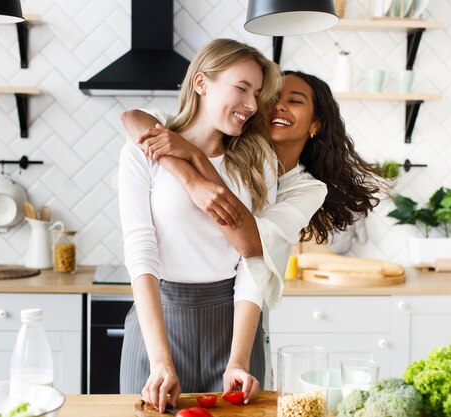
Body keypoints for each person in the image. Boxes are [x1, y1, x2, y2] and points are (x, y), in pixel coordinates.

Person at [122, 70, 381, 388]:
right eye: (270, 100)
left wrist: (194, 160)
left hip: (241, 319)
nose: (278, 107)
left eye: (294, 101)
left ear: (316, 125)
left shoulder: (306, 188)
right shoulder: (223, 147)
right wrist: (189, 174)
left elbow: (249, 243)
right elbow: (134, 118)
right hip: (168, 313)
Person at [117, 38, 283, 413]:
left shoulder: (259, 163)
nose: (252, 105)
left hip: (234, 330)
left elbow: (254, 263)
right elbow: (141, 252)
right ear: (201, 83)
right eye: (241, 88)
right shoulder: (142, 152)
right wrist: (160, 360)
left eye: (256, 94)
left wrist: (238, 360)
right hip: (156, 330)